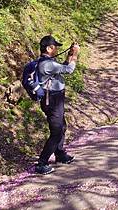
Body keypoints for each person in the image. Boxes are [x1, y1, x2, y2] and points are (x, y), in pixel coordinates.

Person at [35, 35, 80, 175]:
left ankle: (60, 154)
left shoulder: (49, 62)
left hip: (56, 99)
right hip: (52, 101)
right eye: (55, 47)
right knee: (56, 132)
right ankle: (42, 163)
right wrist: (76, 55)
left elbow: (63, 67)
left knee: (62, 126)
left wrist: (70, 55)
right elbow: (69, 70)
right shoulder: (47, 64)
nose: (56, 50)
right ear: (48, 48)